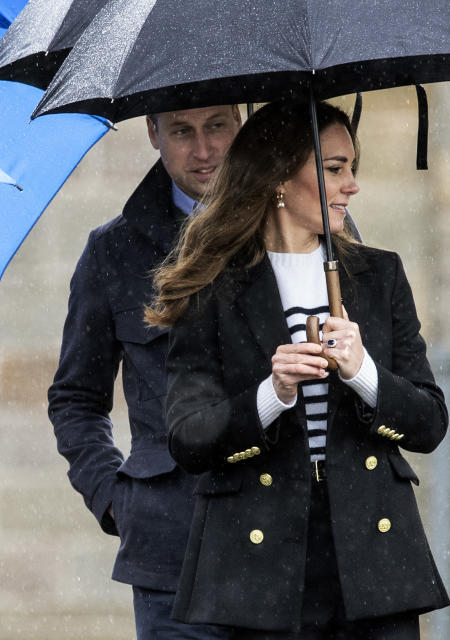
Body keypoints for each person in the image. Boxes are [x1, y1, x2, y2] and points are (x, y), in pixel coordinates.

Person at [146, 98, 450, 639]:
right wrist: (273, 391)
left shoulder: (378, 275)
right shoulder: (211, 288)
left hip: (375, 558)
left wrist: (363, 372)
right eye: (335, 169)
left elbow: (429, 425)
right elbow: (189, 438)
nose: (352, 185)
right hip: (258, 564)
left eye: (352, 167)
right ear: (280, 178)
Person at [47, 105, 243, 638]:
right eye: (182, 131)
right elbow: (76, 400)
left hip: (292, 548)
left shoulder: (298, 226)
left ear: (241, 122)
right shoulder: (112, 250)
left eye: (217, 127)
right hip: (171, 553)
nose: (203, 150)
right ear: (152, 132)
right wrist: (115, 500)